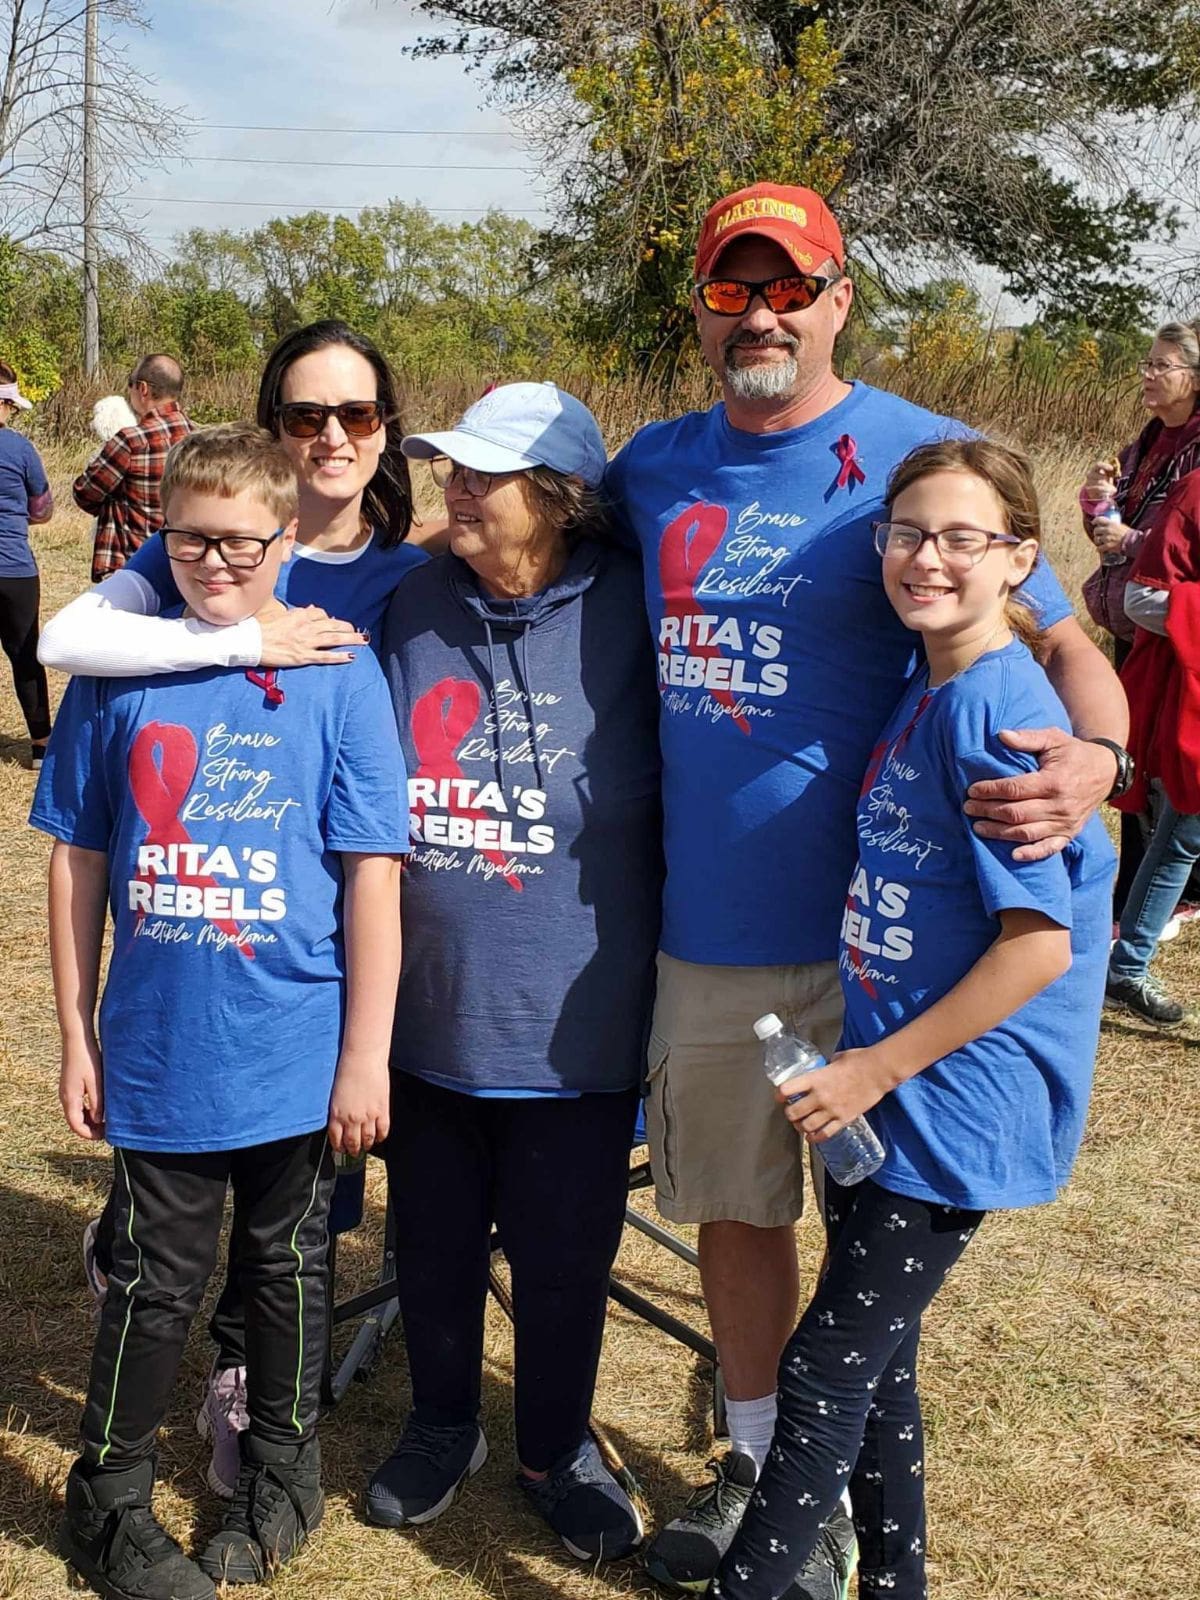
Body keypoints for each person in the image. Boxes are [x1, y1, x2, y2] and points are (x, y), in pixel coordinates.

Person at [602, 182, 1129, 1598]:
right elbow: (500, 544)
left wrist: (1102, 754)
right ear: (703, 311)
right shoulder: (651, 468)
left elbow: (1063, 642)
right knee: (735, 1211)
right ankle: (764, 1466)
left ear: (839, 298)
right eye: (732, 291)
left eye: (790, 287)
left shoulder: (923, 467)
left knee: (862, 1272)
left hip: (883, 951)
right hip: (714, 929)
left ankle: (810, 1502)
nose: (761, 314)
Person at [703, 438, 1112, 1600]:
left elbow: (1036, 945)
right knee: (878, 1370)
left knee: (827, 1374)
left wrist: (874, 1067)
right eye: (908, 533)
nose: (927, 558)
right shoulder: (926, 678)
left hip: (948, 1102)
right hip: (886, 1097)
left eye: (962, 538)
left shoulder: (995, 711)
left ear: (1020, 557)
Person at [39, 320, 427, 1499]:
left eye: (354, 416)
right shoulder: (164, 603)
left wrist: (367, 1049)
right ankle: (121, 1470)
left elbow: (371, 861)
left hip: (308, 990)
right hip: (169, 1014)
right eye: (305, 415)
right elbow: (71, 671)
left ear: (383, 433)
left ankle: (262, 1425)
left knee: (290, 1246)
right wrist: (247, 629)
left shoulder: (392, 593)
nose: (330, 435)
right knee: (169, 1251)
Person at [369, 382, 662, 1561]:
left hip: (577, 1019)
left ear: (562, 497)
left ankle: (552, 1444)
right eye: (451, 470)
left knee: (559, 1261)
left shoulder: (637, 611)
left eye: (485, 476)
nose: (456, 490)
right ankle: (443, 1423)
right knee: (429, 1248)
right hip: (428, 1011)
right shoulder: (414, 601)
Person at [1079, 319, 1200, 926]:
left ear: (1195, 378)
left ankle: (1168, 898)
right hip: (1132, 624)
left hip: (1177, 634)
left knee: (1172, 764)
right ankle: (1141, 894)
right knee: (1136, 760)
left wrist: (1131, 538)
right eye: (1146, 365)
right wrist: (1097, 500)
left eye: (1162, 366)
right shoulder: (1148, 443)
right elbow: (1108, 533)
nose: (1148, 377)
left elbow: (1184, 547)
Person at [1105, 436, 1200, 1025]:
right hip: (1194, 692)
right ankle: (1128, 965)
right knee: (1183, 832)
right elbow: (1143, 598)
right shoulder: (1195, 492)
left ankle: (1128, 964)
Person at [72, 354, 193, 581]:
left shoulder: (130, 440)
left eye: (131, 384)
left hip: (132, 568)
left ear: (143, 389)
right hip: (185, 567)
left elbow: (84, 493)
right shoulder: (200, 439)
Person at [0, 362, 53, 768]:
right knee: (25, 656)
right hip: (14, 570)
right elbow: (44, 509)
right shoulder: (19, 449)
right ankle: (40, 744)